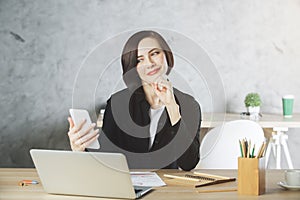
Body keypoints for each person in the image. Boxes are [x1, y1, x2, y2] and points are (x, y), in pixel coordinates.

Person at [67, 30, 201, 171]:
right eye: (139, 60)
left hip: (168, 189)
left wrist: (172, 107)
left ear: (166, 55)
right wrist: (79, 150)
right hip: (126, 187)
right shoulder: (117, 103)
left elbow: (189, 163)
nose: (149, 63)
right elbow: (106, 158)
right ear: (133, 67)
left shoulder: (189, 105)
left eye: (154, 53)